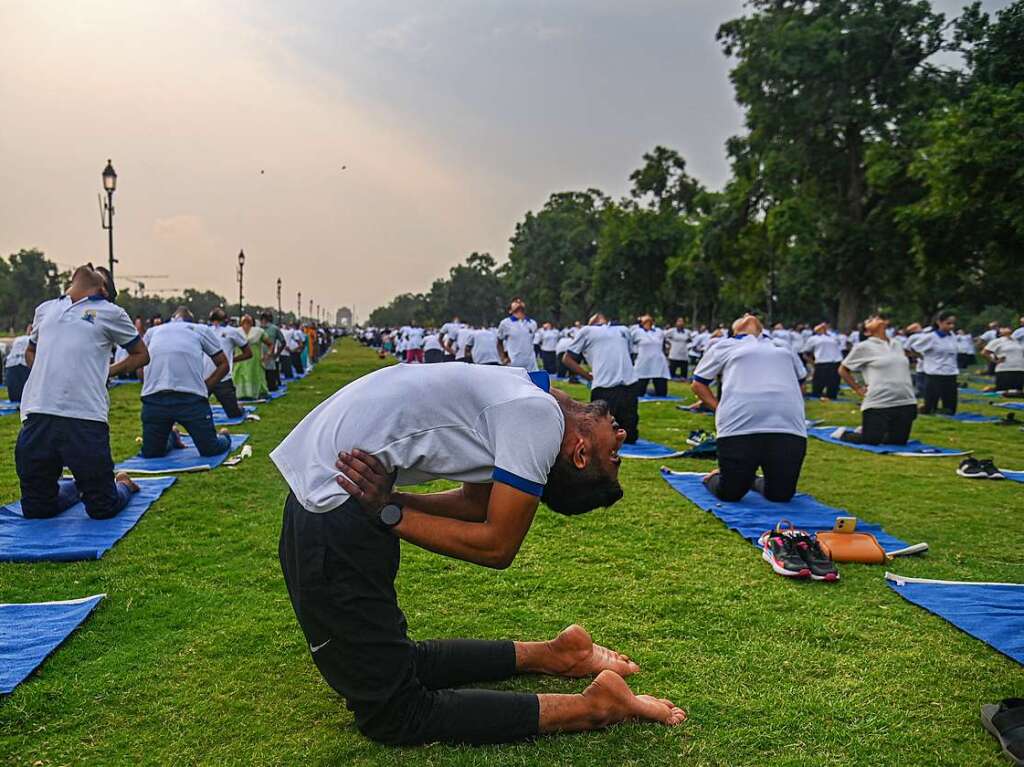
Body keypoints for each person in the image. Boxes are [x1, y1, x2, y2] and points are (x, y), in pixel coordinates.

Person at [272, 363, 685, 746]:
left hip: (333, 503)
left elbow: (494, 542)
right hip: (334, 499)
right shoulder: (534, 404)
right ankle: (555, 654)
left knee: (395, 713)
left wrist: (389, 509)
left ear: (580, 452)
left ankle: (595, 706)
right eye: (617, 453)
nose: (623, 436)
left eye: (614, 455)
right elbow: (478, 513)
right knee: (402, 666)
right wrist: (388, 506)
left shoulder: (533, 410)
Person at [15, 264, 149, 519]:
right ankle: (79, 487)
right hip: (39, 414)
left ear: (102, 289)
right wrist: (44, 372)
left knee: (102, 508)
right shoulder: (46, 309)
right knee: (36, 510)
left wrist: (107, 371)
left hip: (84, 418)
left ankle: (123, 484)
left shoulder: (111, 312)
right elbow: (31, 351)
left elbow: (142, 355)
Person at [691, 314, 807, 503]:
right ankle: (715, 478)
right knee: (730, 493)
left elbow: (801, 381)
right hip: (739, 426)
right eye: (742, 316)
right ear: (734, 329)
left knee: (781, 495)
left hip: (787, 426)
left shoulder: (782, 345)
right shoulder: (724, 345)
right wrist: (719, 409)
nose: (748, 316)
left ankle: (751, 480)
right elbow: (698, 384)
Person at [139, 307, 233, 458]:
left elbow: (140, 365)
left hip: (169, 399)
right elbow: (223, 364)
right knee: (152, 453)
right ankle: (172, 437)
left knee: (210, 449)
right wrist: (206, 386)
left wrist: (147, 384)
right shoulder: (200, 330)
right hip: (176, 399)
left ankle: (225, 437)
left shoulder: (153, 331)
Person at [832, 316, 918, 445]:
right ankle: (843, 434)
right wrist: (858, 389)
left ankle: (868, 429)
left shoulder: (897, 344)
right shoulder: (863, 347)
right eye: (870, 320)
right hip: (879, 401)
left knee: (898, 442)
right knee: (871, 441)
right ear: (867, 332)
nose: (876, 319)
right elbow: (843, 370)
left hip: (905, 400)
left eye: (877, 318)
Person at [562, 315, 640, 444]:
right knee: (601, 436)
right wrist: (588, 376)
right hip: (604, 387)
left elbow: (630, 354)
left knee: (629, 436)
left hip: (628, 385)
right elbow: (567, 358)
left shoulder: (623, 330)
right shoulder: (587, 331)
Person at [906, 312, 959, 415]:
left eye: (953, 324)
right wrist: (922, 357)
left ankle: (946, 412)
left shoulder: (952, 336)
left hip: (951, 372)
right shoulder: (931, 337)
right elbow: (913, 348)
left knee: (950, 406)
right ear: (939, 322)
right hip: (935, 373)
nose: (951, 326)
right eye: (948, 323)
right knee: (930, 406)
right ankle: (926, 410)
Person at [205, 308, 251, 416]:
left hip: (223, 377)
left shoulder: (232, 332)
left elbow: (248, 353)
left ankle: (239, 408)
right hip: (205, 377)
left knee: (233, 413)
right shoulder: (205, 330)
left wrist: (231, 360)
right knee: (194, 411)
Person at [631, 315, 670, 397]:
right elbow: (630, 342)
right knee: (639, 392)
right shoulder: (636, 332)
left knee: (662, 392)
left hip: (658, 362)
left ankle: (654, 391)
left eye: (649, 320)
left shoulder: (659, 331)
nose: (648, 322)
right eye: (645, 320)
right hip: (643, 362)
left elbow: (664, 343)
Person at [234, 314, 269, 401]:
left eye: (248, 320)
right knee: (239, 375)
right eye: (244, 320)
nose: (246, 322)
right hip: (240, 359)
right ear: (240, 323)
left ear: (252, 322)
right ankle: (239, 394)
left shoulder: (259, 332)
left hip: (254, 360)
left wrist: (267, 355)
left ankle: (255, 393)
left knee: (255, 375)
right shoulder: (235, 332)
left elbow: (270, 343)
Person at [497, 298, 539, 371]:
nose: (519, 303)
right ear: (510, 310)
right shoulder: (505, 323)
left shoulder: (532, 323)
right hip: (513, 364)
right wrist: (503, 358)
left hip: (531, 365)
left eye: (521, 301)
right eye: (515, 302)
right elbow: (499, 342)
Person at [804, 323, 843, 399]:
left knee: (833, 386)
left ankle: (831, 396)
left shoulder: (832, 337)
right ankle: (817, 396)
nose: (823, 328)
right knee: (818, 387)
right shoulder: (813, 339)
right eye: (821, 327)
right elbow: (806, 353)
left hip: (836, 362)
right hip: (822, 362)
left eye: (824, 327)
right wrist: (813, 363)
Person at [982, 327, 1024, 393]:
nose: (1006, 328)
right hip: (1004, 369)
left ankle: (991, 389)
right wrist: (995, 361)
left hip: (1019, 369)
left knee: (1017, 391)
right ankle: (990, 389)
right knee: (1002, 391)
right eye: (1004, 328)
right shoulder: (997, 341)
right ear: (1000, 333)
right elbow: (984, 352)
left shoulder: (1017, 341)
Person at [4, 324, 32, 402]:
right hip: (23, 364)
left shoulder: (18, 339)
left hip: (11, 364)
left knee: (14, 396)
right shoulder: (31, 340)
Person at [259, 312, 285, 391]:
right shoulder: (258, 329)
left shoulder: (274, 329)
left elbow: (283, 342)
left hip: (269, 357)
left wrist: (277, 354)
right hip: (259, 357)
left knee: (270, 380)